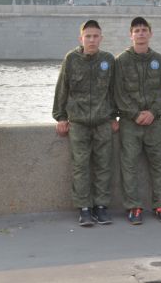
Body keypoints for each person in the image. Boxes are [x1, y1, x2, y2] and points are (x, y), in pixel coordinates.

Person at [52, 19, 119, 227]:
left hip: (102, 122)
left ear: (101, 38)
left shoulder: (108, 59)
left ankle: (101, 207)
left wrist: (115, 116)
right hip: (78, 122)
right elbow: (62, 89)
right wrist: (61, 117)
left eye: (95, 36)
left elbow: (114, 90)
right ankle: (84, 208)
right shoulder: (71, 59)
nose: (92, 40)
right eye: (88, 36)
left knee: (103, 165)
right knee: (80, 166)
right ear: (81, 38)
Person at [114, 17, 161, 225]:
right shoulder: (121, 61)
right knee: (129, 165)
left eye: (144, 30)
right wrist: (135, 114)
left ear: (150, 34)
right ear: (131, 35)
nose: (140, 33)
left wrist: (153, 112)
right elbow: (118, 93)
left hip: (154, 122)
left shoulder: (158, 60)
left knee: (160, 164)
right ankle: (134, 207)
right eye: (136, 30)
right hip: (130, 122)